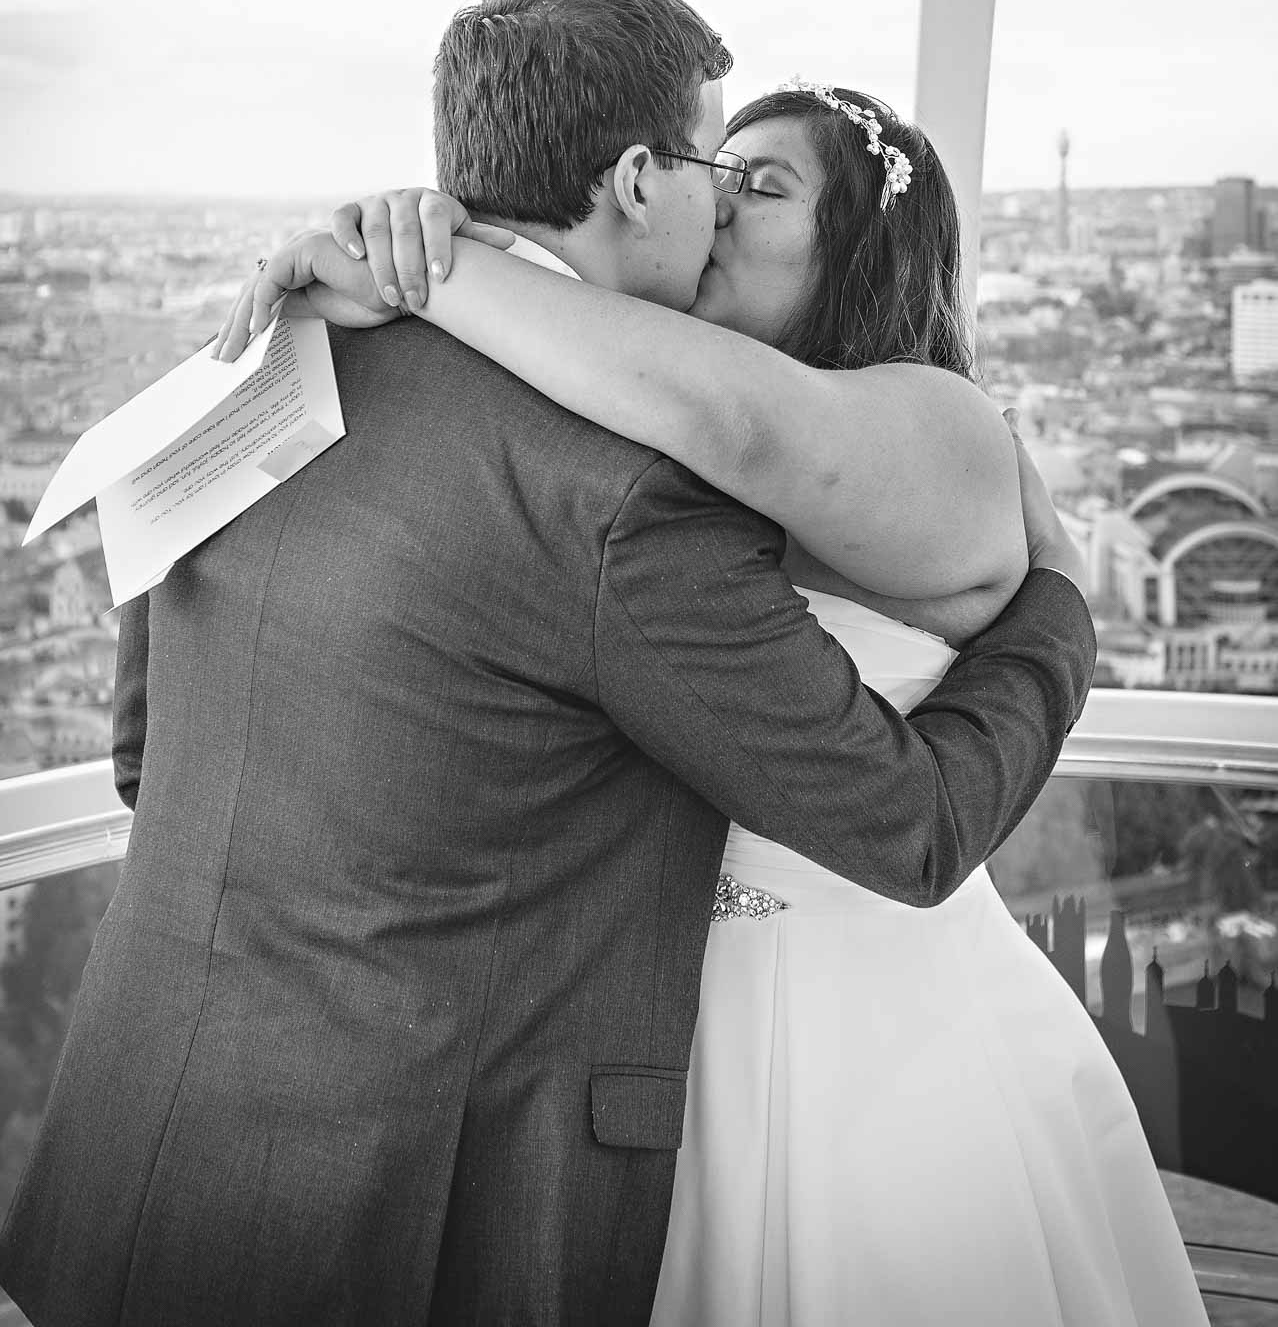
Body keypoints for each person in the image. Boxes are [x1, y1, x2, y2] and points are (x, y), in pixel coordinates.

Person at [0, 0, 1095, 1327]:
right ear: (638, 181)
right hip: (403, 1204)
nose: (716, 203)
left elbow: (145, 760)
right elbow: (911, 825)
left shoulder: (245, 369)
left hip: (137, 1143)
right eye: (710, 163)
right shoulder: (618, 493)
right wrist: (1062, 609)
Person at [225, 70, 1208, 1323]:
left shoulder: (942, 425)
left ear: (861, 244)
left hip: (878, 1042)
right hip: (649, 1043)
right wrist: (408, 236)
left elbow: (737, 425)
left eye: (765, 183)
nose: (718, 204)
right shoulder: (636, 424)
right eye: (713, 171)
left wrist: (443, 267)